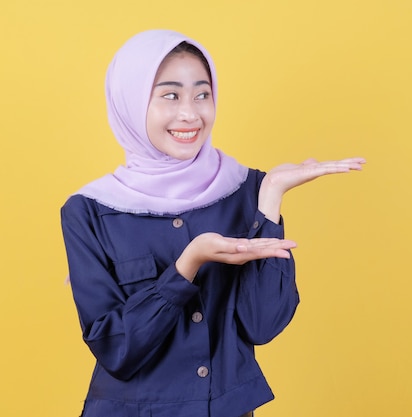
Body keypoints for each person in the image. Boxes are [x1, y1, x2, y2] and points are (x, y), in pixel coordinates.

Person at [60, 29, 364, 417]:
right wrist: (187, 265)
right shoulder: (89, 210)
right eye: (170, 95)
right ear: (131, 102)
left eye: (202, 94)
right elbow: (117, 349)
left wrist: (270, 195)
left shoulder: (246, 189)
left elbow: (262, 324)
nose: (191, 113)